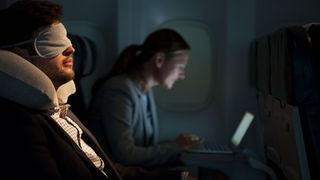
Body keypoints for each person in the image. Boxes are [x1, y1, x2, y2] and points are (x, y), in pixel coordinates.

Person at [0, 0, 195, 179]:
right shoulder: (21, 123)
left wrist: (180, 178)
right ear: (19, 55)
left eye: (65, 38)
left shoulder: (62, 109)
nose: (71, 49)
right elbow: (124, 156)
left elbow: (106, 167)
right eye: (50, 41)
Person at [88, 28, 202, 168]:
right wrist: (175, 147)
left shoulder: (145, 90)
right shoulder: (118, 89)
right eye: (180, 67)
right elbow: (126, 155)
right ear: (159, 60)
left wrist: (179, 145)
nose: (182, 75)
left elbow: (144, 146)